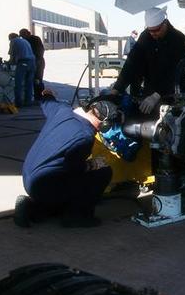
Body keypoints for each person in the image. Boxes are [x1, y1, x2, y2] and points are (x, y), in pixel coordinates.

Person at [14, 90, 115, 228]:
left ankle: (32, 208)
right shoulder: (85, 137)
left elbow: (47, 101)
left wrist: (48, 94)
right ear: (105, 124)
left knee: (63, 183)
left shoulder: (62, 110)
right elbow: (73, 168)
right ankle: (76, 216)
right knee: (103, 173)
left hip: (29, 178)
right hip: (44, 184)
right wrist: (93, 164)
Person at [111, 7, 185, 113]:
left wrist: (157, 95)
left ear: (164, 23)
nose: (153, 34)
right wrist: (116, 89)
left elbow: (175, 71)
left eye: (156, 30)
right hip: (150, 93)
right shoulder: (146, 36)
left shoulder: (179, 40)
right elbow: (132, 63)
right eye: (150, 30)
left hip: (175, 93)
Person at [8, 31, 36, 108]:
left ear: (10, 38)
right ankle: (28, 102)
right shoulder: (24, 41)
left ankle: (18, 103)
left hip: (23, 62)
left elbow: (12, 56)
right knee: (29, 83)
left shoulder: (13, 41)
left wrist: (8, 63)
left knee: (18, 83)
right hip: (32, 63)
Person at [19, 27, 45, 100]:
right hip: (33, 62)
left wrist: (36, 61)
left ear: (27, 34)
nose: (22, 37)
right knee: (32, 81)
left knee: (37, 80)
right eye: (22, 36)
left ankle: (40, 97)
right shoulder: (25, 41)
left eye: (23, 36)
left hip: (38, 62)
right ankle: (35, 97)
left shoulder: (35, 39)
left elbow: (40, 51)